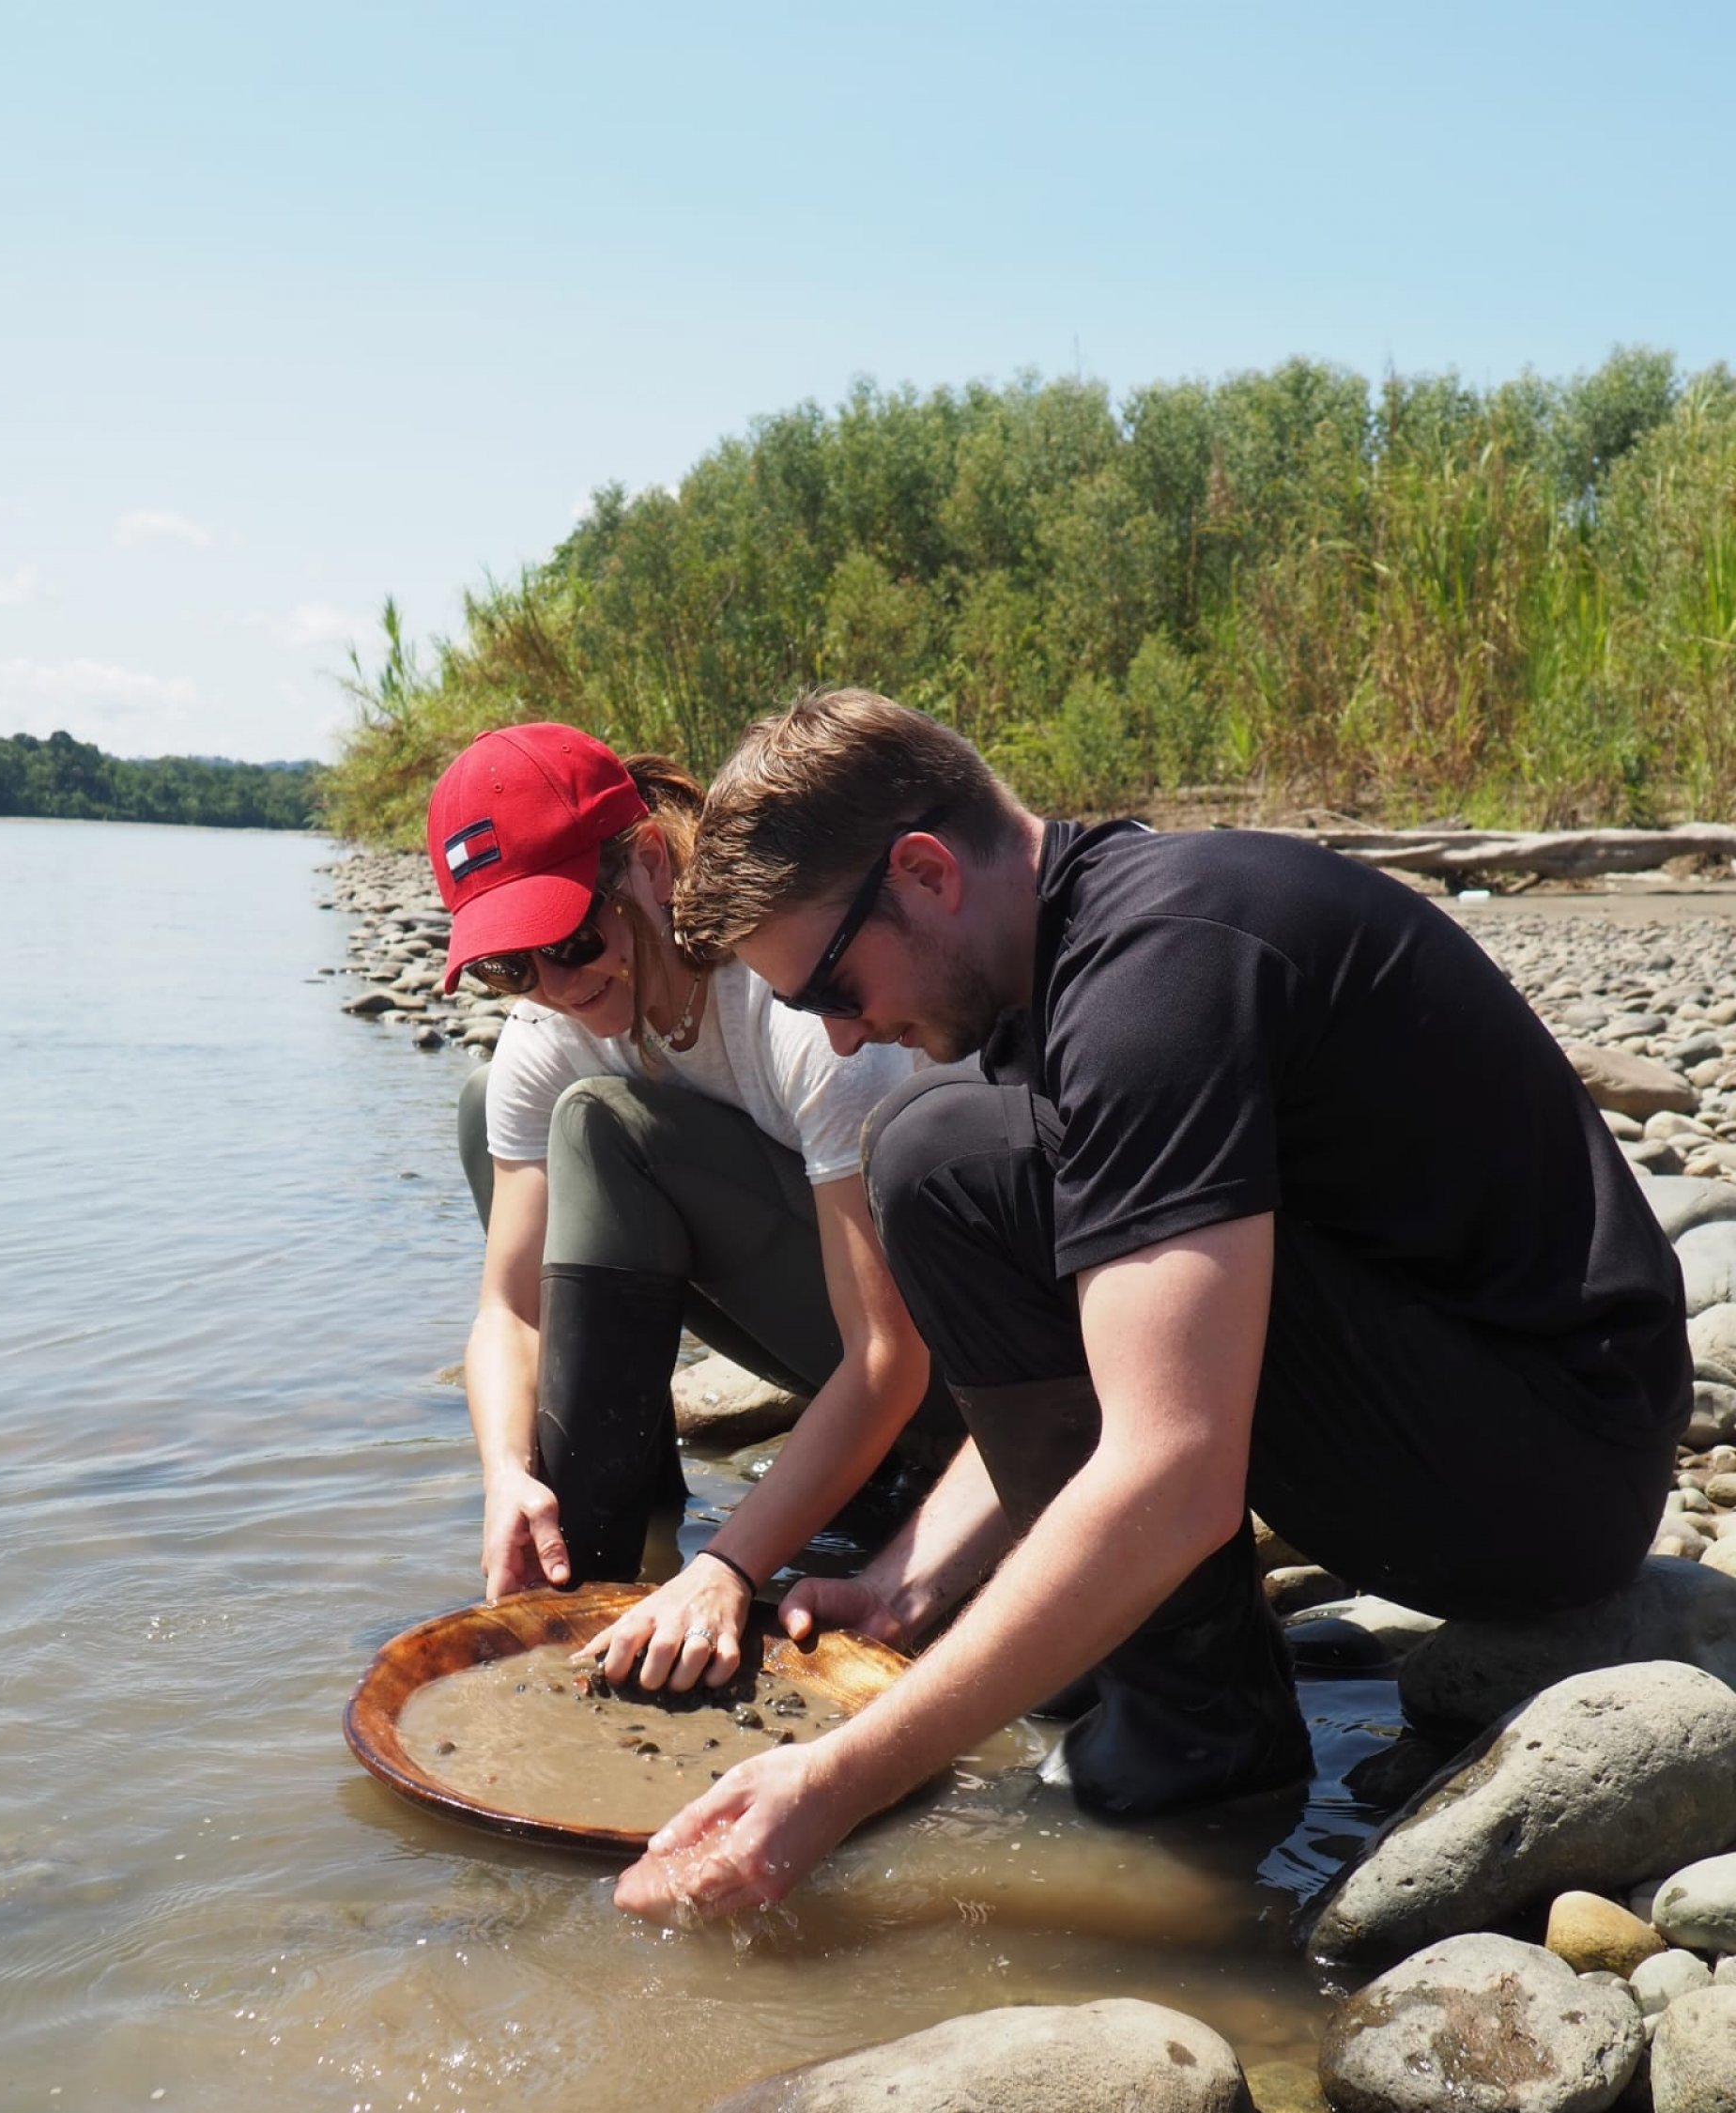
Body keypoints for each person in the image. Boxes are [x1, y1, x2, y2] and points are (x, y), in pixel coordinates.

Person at [609, 686, 1690, 1920]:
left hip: (1553, 1473)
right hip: (1493, 1426)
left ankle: (1201, 1743)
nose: (842, 1040)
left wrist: (843, 1779)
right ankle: (1180, 1696)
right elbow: (1088, 1343)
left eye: (832, 990)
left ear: (923, 872)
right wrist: (907, 1585)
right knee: (943, 1151)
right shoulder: (1079, 954)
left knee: (943, 1155)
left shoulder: (1160, 976)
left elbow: (1170, 1468)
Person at [426, 720, 952, 1694]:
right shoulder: (550, 1023)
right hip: (826, 1328)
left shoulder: (789, 996)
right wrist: (506, 1474)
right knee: (489, 1111)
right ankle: (613, 1536)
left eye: (570, 941)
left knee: (598, 1124)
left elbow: (890, 1357)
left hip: (956, 1371)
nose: (552, 988)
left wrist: (730, 1567)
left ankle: (604, 1568)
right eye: (510, 966)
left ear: (650, 862)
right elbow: (507, 1311)